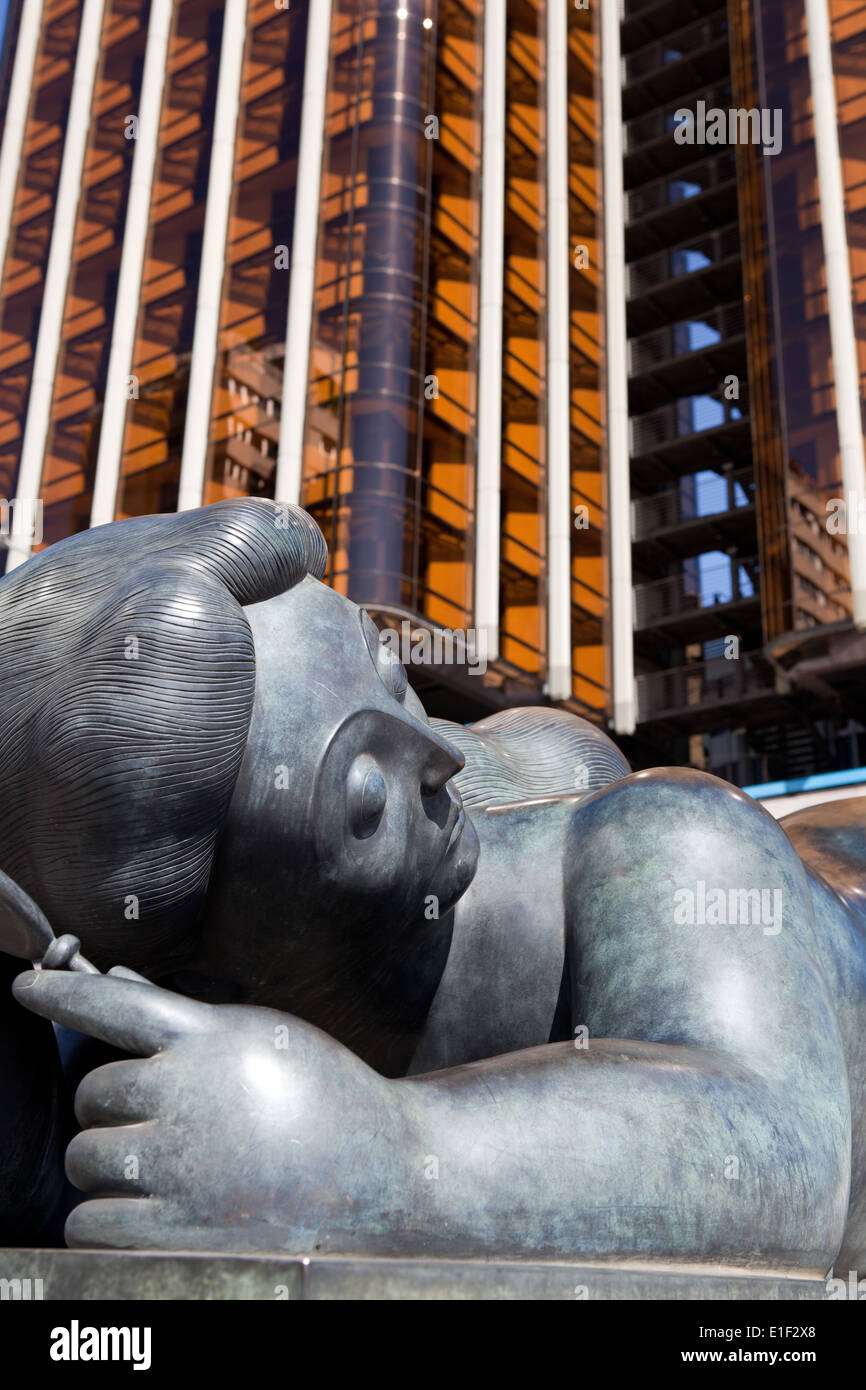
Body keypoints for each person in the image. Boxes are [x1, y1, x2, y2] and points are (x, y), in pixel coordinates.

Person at [3, 500, 864, 1272]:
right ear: (200, 973)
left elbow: (777, 1148)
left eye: (391, 678)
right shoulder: (176, 1034)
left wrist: (373, 1155)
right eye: (364, 799)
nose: (443, 758)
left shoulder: (672, 842)